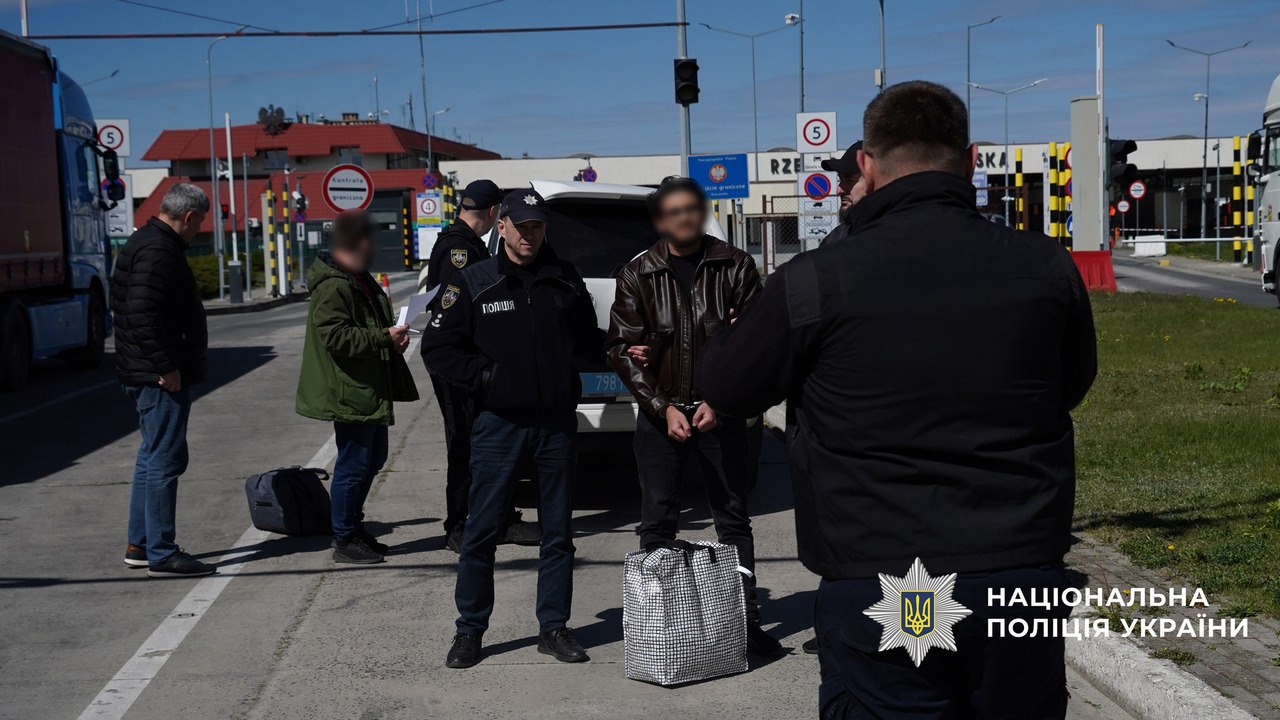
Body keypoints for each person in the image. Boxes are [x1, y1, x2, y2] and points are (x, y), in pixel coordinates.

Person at [699, 81, 1097, 719]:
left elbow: (725, 385)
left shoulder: (819, 278)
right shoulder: (1046, 266)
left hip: (895, 577)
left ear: (866, 165)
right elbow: (1070, 385)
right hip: (1018, 572)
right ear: (969, 161)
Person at [422, 188, 605, 669]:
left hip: (556, 424)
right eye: (521, 226)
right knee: (481, 532)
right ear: (501, 225)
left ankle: (554, 628)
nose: (529, 235)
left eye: (537, 226)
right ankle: (470, 631)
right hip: (499, 424)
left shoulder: (564, 278)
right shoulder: (472, 280)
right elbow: (438, 348)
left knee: (558, 533)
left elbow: (589, 340)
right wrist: (490, 379)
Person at [607, 176, 781, 656]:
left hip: (719, 417)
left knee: (733, 520)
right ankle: (660, 625)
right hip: (660, 417)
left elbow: (756, 344)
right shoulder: (638, 273)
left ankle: (744, 622)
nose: (682, 218)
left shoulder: (735, 265)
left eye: (690, 208)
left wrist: (720, 402)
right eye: (671, 210)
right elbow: (621, 348)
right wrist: (661, 408)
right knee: (657, 522)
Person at [422, 179, 540, 552]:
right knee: (463, 445)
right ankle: (458, 525)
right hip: (460, 367)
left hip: (473, 363)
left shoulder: (459, 243)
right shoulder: (460, 250)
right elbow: (454, 310)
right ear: (493, 214)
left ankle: (501, 518)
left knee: (487, 444)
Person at [296, 210, 419, 565]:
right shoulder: (335, 285)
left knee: (372, 458)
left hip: (367, 384)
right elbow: (336, 336)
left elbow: (368, 323)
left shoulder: (356, 277)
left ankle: (352, 526)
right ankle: (345, 537)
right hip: (350, 387)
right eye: (369, 239)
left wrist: (392, 335)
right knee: (354, 463)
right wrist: (384, 338)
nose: (373, 246)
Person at [112, 182, 215, 577]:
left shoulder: (148, 242)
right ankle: (161, 550)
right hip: (157, 376)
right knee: (165, 461)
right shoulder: (159, 250)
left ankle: (140, 544)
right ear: (188, 217)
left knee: (152, 456)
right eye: (199, 222)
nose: (198, 230)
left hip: (145, 370)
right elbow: (141, 314)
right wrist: (165, 366)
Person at [819, 140, 869, 246]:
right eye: (840, 179)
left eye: (850, 180)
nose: (839, 190)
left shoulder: (900, 234)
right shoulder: (833, 240)